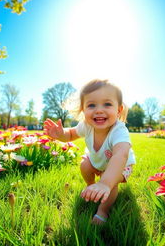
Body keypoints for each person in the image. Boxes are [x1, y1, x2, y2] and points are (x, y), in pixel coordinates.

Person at [44, 79, 136, 225]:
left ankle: (103, 211)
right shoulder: (86, 125)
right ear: (83, 110)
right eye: (91, 105)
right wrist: (61, 134)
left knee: (111, 184)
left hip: (120, 166)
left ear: (118, 110)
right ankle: (91, 186)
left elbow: (121, 154)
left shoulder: (119, 130)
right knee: (84, 165)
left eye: (107, 104)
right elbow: (71, 134)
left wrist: (105, 182)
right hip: (98, 161)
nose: (99, 110)